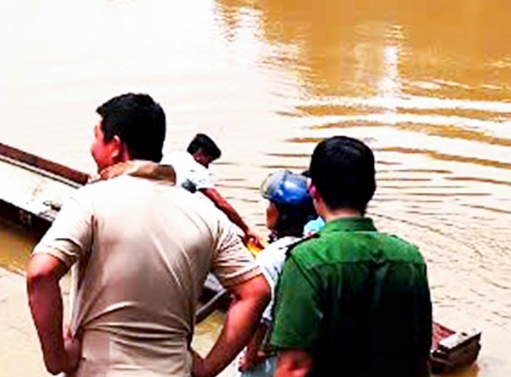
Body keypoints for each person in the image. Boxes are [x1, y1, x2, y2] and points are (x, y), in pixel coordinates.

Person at [26, 93, 271, 377]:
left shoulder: (90, 201)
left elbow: (41, 274)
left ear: (116, 146)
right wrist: (207, 368)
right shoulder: (208, 217)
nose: (92, 147)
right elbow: (256, 291)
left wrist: (57, 358)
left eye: (96, 137)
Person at [267, 136, 433, 377]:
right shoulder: (409, 258)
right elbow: (419, 359)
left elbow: (294, 368)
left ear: (312, 188)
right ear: (371, 190)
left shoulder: (307, 260)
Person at [234, 170, 318, 377]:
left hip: (266, 358)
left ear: (284, 214)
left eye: (272, 206)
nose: (267, 210)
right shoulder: (309, 249)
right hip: (296, 355)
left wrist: (251, 355)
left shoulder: (271, 257)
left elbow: (262, 315)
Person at [167, 133, 266, 250]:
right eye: (208, 161)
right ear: (199, 154)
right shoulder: (196, 168)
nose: (207, 167)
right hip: (173, 217)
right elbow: (220, 203)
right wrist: (246, 229)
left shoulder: (172, 156)